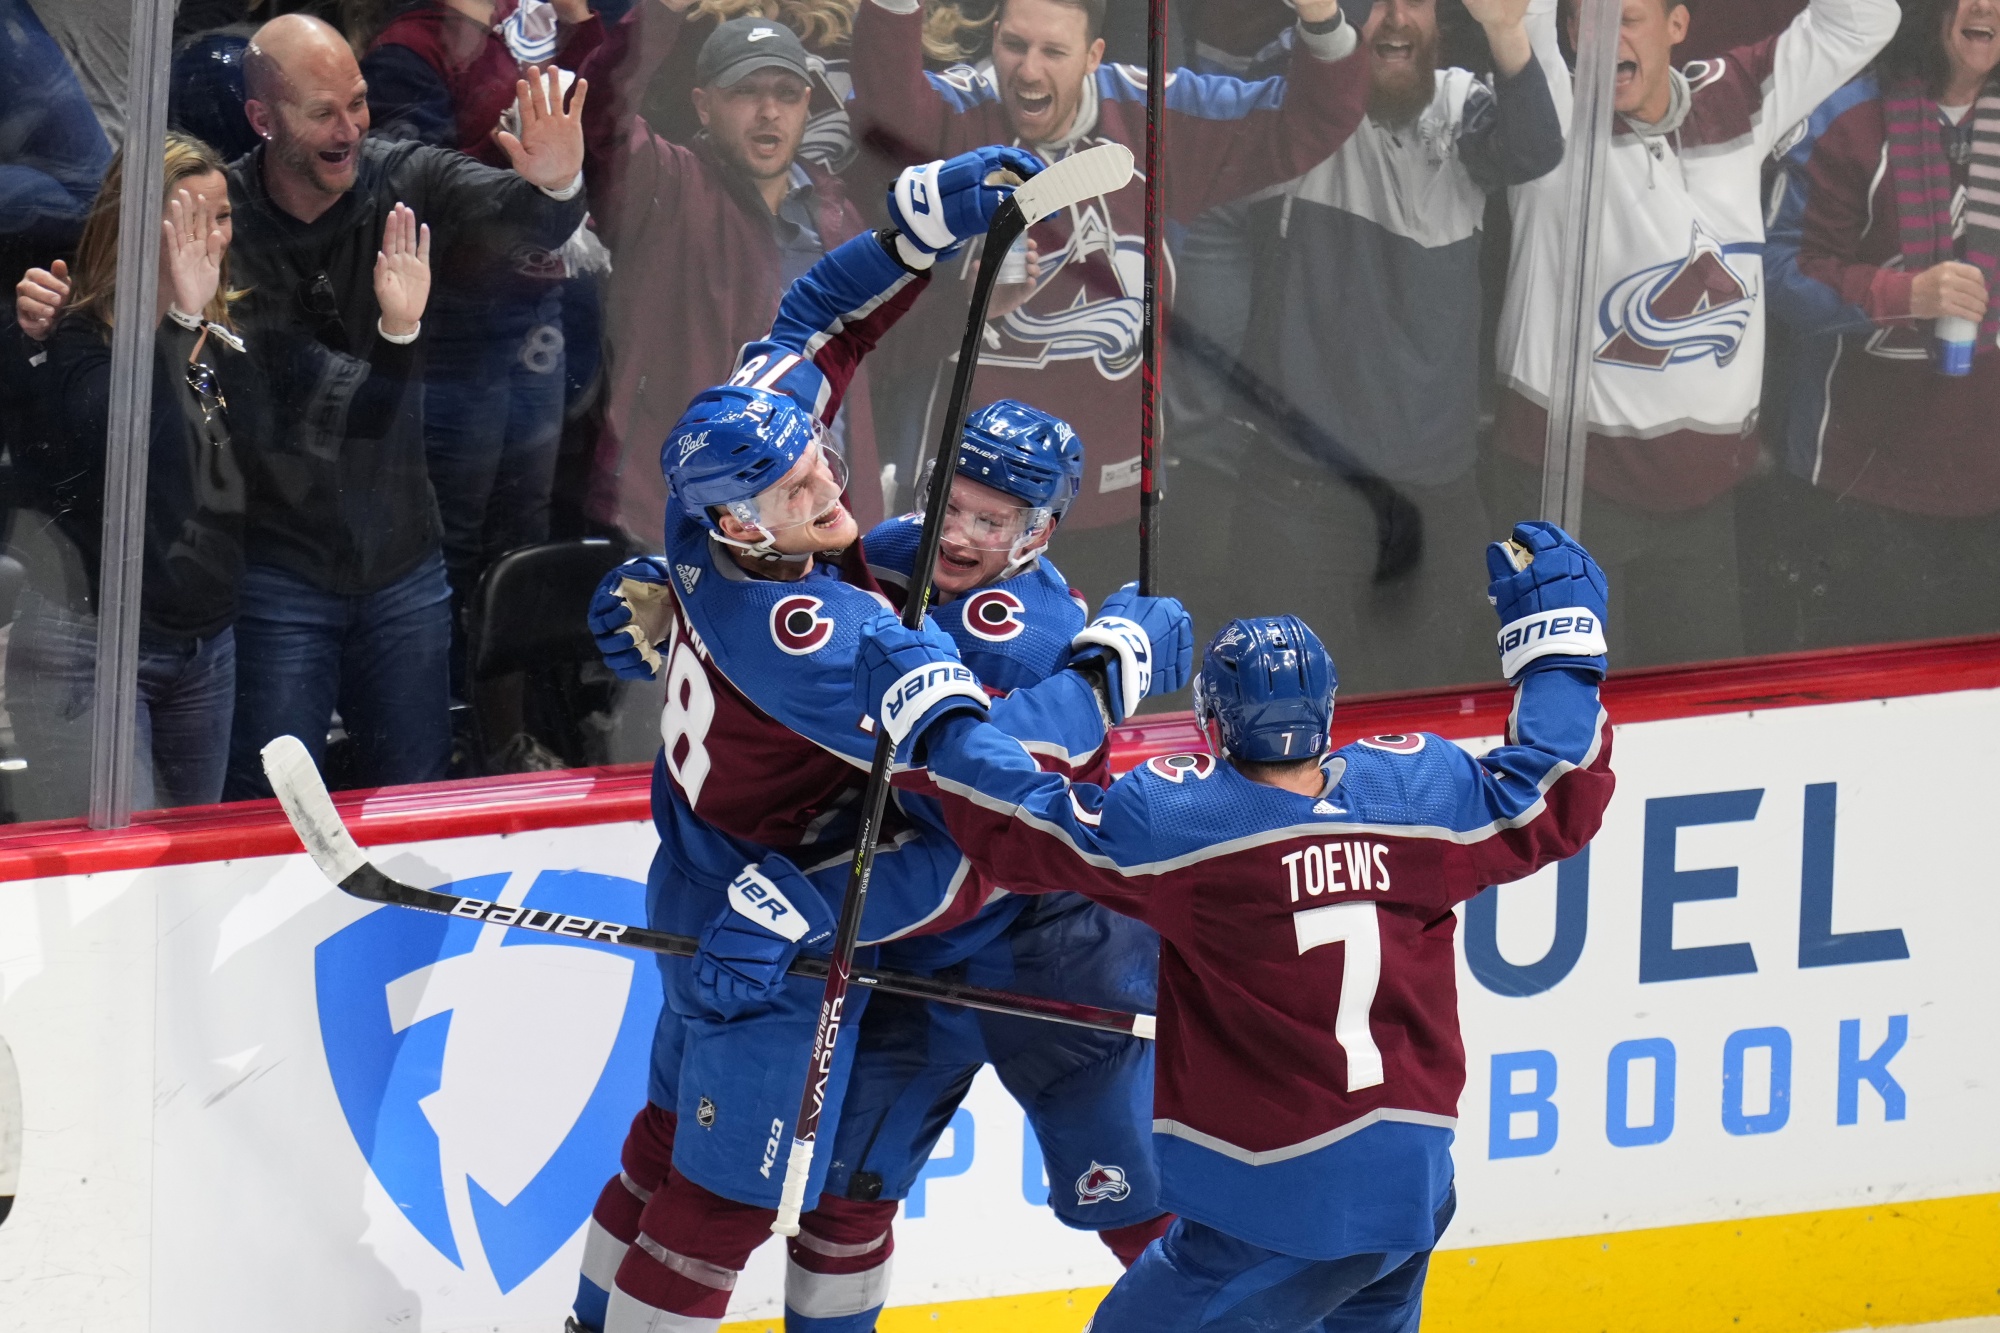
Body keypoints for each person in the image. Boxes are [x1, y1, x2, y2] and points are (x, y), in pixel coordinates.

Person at [569, 148, 1192, 1332]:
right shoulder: (818, 628)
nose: (825, 471)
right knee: (721, 1204)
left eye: (993, 519)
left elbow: (814, 318)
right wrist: (1108, 676)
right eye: (800, 484)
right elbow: (977, 769)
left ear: (1044, 527)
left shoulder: (726, 493)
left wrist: (918, 226)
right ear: (742, 525)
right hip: (790, 907)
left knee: (684, 1152)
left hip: (933, 913)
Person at [850, 520, 1617, 1331]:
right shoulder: (1419, 793)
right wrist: (1560, 649)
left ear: (1213, 724)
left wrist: (938, 716)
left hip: (1277, 1203)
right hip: (1414, 1181)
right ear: (1327, 707)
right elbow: (1552, 788)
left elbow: (1026, 823)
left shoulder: (1190, 827)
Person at [808, 403, 1171, 1329]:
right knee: (839, 1207)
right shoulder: (887, 555)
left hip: (1054, 949)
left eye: (992, 521)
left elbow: (976, 781)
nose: (960, 536)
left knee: (1142, 1204)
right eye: (953, 507)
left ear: (1039, 532)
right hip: (916, 959)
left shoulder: (1036, 631)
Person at [846, 0, 1376, 587]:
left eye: (1053, 52)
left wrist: (1323, 18)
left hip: (1115, 498)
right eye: (1015, 45)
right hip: (965, 507)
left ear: (1095, 56)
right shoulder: (961, 107)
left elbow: (1309, 119)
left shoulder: (1153, 112)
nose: (1028, 70)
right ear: (992, 37)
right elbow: (885, 106)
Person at [216, 14, 588, 799]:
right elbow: (352, 410)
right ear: (261, 118)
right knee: (274, 813)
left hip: (401, 569)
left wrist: (556, 185)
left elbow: (526, 219)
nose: (350, 128)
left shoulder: (401, 174)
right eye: (323, 112)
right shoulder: (226, 230)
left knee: (417, 805)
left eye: (358, 103)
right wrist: (399, 326)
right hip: (282, 574)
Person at [1488, 0, 1899, 669]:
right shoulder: (1552, 110)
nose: (1602, 34)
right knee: (1569, 742)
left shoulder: (1734, 94)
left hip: (1703, 499)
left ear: (1678, 26)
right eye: (1585, 19)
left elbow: (1867, 19)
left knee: (1696, 728)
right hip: (1568, 498)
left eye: (1628, 17)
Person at [1231, 0, 1561, 696]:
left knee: (1425, 727)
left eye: (1411, 1)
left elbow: (1533, 150)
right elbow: (1281, 72)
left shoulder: (1462, 101)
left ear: (1443, 22)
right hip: (1301, 496)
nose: (1393, 18)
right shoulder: (1300, 105)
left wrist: (1507, 30)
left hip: (1433, 499)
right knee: (1279, 728)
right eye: (1369, 2)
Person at [363, 0, 608, 763]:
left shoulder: (528, 33)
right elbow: (417, 190)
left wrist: (584, 29)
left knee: (522, 538)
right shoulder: (410, 50)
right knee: (455, 539)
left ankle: (508, 733)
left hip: (536, 316)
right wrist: (521, 157)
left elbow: (592, 114)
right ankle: (441, 733)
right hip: (456, 329)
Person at [5, 134, 267, 820]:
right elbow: (126, 438)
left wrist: (398, 333)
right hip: (89, 648)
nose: (208, 237)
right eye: (187, 217)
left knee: (188, 883)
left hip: (205, 647)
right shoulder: (68, 334)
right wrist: (180, 321)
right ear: (132, 224)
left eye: (220, 216)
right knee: (116, 884)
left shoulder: (228, 336)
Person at [576, 2, 889, 549]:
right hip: (686, 516)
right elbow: (600, 114)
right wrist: (660, 14)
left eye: (786, 94)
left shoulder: (838, 217)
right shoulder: (665, 186)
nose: (769, 111)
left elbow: (869, 374)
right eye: (746, 92)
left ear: (806, 106)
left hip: (812, 516)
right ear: (703, 105)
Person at [1753, 0, 1999, 649]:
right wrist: (1903, 293)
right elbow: (1775, 272)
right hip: (1858, 485)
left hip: (1987, 491)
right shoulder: (1850, 116)